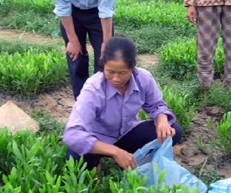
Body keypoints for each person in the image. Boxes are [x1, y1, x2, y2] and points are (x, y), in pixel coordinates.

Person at [62, 36, 183, 171]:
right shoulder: (94, 88)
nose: (116, 78)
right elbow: (72, 134)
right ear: (103, 64)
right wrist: (115, 152)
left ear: (132, 66)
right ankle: (97, 164)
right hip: (97, 140)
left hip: (126, 133)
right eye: (110, 72)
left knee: (173, 131)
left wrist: (162, 120)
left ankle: (139, 160)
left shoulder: (144, 78)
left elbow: (156, 105)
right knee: (76, 155)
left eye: (122, 73)